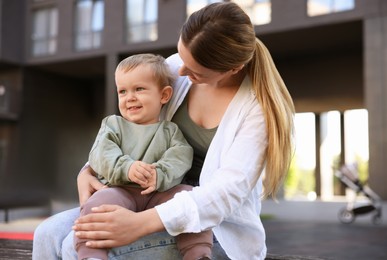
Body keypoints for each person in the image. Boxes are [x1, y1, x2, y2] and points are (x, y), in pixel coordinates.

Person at [33, 2, 294, 260]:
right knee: (46, 233)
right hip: (144, 196)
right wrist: (87, 171)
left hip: (209, 226)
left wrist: (138, 224)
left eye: (193, 70)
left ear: (232, 69)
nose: (179, 70)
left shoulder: (257, 111)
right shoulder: (175, 69)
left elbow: (225, 195)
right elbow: (134, 129)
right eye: (181, 56)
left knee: (72, 246)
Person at [73, 53, 214, 260]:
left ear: (164, 96)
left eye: (139, 89)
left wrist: (160, 173)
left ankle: (198, 253)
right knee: (98, 204)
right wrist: (127, 167)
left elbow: (180, 157)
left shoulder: (171, 131)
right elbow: (101, 153)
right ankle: (91, 254)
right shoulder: (113, 125)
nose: (130, 97)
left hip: (159, 192)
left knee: (187, 197)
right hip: (120, 191)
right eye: (123, 91)